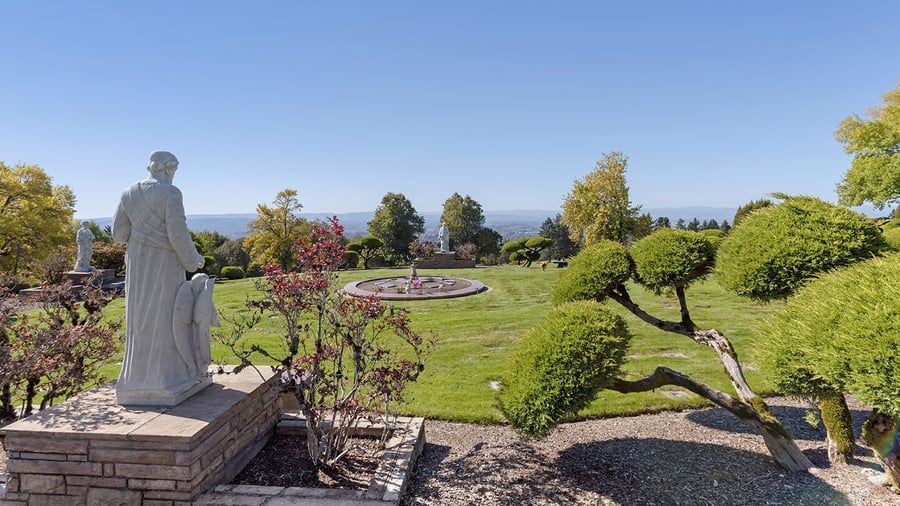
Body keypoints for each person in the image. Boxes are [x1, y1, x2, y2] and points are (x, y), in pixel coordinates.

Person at [112, 151, 208, 406]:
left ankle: (137, 380)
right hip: (164, 264)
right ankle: (168, 377)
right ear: (169, 169)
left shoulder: (128, 193)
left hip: (137, 265)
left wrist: (142, 234)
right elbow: (178, 234)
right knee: (166, 316)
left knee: (141, 319)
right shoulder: (171, 193)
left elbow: (118, 234)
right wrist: (194, 261)